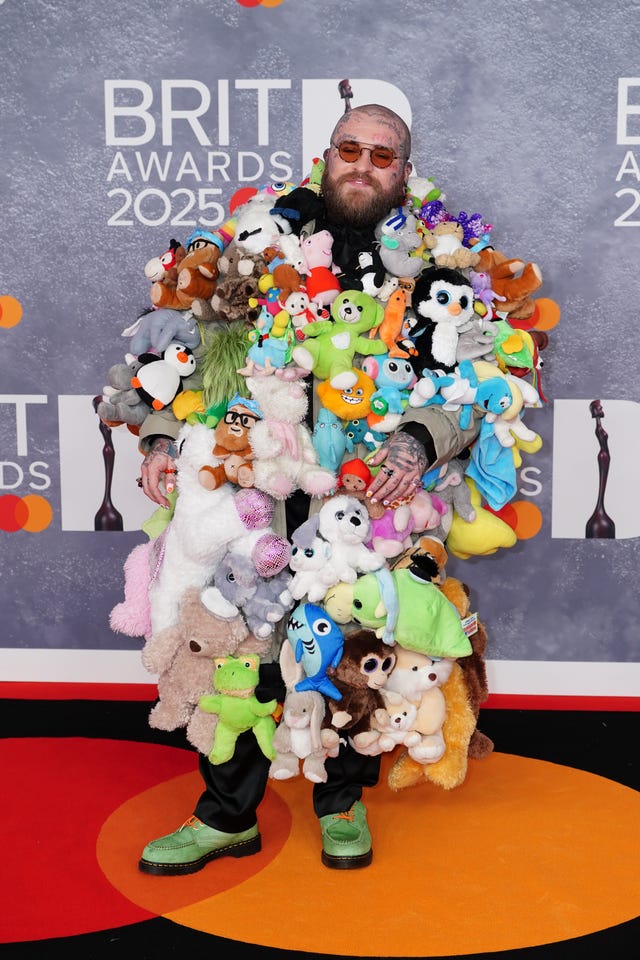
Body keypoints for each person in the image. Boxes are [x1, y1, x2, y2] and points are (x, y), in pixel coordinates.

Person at [133, 104, 483, 875]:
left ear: (402, 170)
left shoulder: (437, 266)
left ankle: (342, 803)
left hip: (366, 500)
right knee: (243, 651)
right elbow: (182, 338)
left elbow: (474, 380)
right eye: (349, 148)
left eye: (381, 156)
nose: (362, 164)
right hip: (255, 487)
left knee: (355, 657)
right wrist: (160, 434)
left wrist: (415, 436)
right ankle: (227, 815)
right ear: (326, 157)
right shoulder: (257, 239)